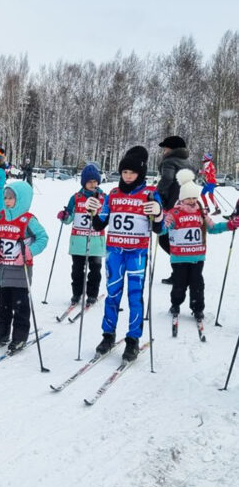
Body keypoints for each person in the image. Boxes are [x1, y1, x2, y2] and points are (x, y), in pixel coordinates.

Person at [86, 146, 164, 362]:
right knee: (112, 294)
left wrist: (157, 214)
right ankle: (108, 335)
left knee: (135, 297)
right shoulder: (113, 194)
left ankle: (133, 339)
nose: (128, 176)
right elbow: (100, 224)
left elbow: (161, 228)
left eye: (132, 172)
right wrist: (92, 211)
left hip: (137, 252)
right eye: (124, 172)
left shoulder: (149, 193)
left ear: (140, 173)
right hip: (115, 253)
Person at [161, 169, 239, 320]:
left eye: (194, 197)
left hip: (197, 256)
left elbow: (212, 228)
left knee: (197, 284)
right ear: (182, 198)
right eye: (188, 198)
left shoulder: (201, 213)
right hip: (179, 257)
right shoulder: (174, 213)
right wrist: (160, 221)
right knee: (179, 284)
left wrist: (229, 225)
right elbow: (163, 229)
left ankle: (197, 308)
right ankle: (175, 304)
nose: (191, 201)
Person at [0, 181, 49, 352]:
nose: (7, 201)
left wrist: (29, 252)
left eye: (11, 198)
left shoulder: (28, 220)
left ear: (21, 199)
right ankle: (1, 333)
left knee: (20, 306)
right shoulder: (1, 216)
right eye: (5, 197)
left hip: (20, 272)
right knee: (3, 306)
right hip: (3, 270)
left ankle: (19, 337)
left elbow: (43, 238)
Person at [57, 164, 106, 306]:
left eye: (95, 181)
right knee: (77, 270)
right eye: (89, 181)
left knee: (95, 270)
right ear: (84, 182)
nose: (93, 184)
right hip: (78, 241)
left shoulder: (103, 197)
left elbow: (106, 217)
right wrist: (64, 216)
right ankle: (76, 293)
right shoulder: (76, 197)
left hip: (96, 241)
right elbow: (69, 218)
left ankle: (92, 294)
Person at [156, 135, 195, 285]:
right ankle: (186, 271)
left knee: (166, 240)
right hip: (188, 206)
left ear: (171, 149)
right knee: (180, 241)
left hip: (172, 206)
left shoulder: (169, 161)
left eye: (165, 148)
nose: (163, 151)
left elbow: (166, 179)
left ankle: (180, 272)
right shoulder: (188, 163)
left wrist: (158, 196)